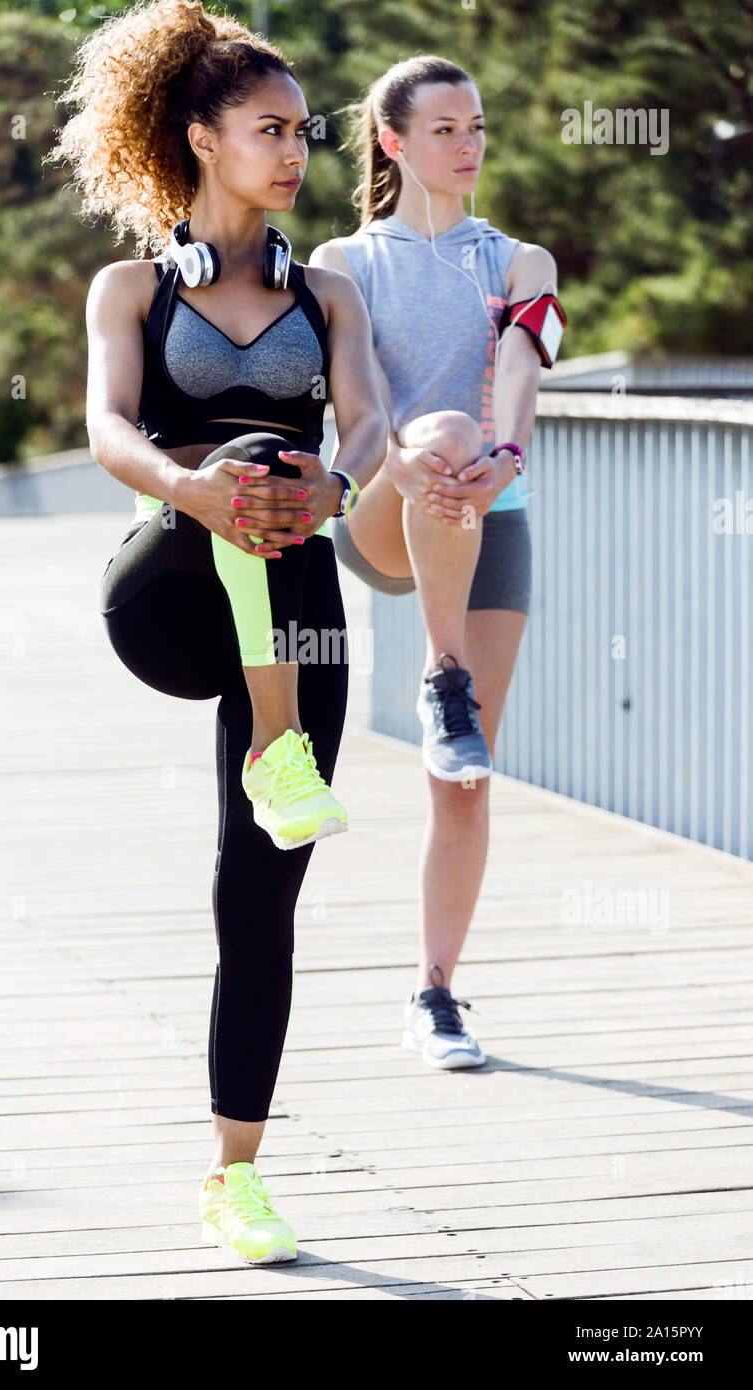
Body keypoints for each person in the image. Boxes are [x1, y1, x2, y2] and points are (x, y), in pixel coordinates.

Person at [47, 0, 386, 1263]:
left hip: (292, 615)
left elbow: (363, 427)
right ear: (200, 138)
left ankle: (233, 1175)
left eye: (303, 133)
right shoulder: (130, 285)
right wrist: (191, 485)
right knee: (251, 456)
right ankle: (274, 752)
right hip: (169, 598)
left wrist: (341, 485)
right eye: (267, 130)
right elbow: (107, 429)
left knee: (262, 894)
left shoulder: (328, 291)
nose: (295, 152)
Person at [310, 56, 564, 1071]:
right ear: (392, 142)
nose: (469, 145)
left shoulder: (519, 262)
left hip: (485, 510)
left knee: (462, 783)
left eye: (477, 126)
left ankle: (435, 993)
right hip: (384, 505)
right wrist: (426, 467)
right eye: (445, 129)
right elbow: (357, 404)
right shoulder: (343, 261)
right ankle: (438, 673)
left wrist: (497, 461)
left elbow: (516, 375)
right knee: (441, 422)